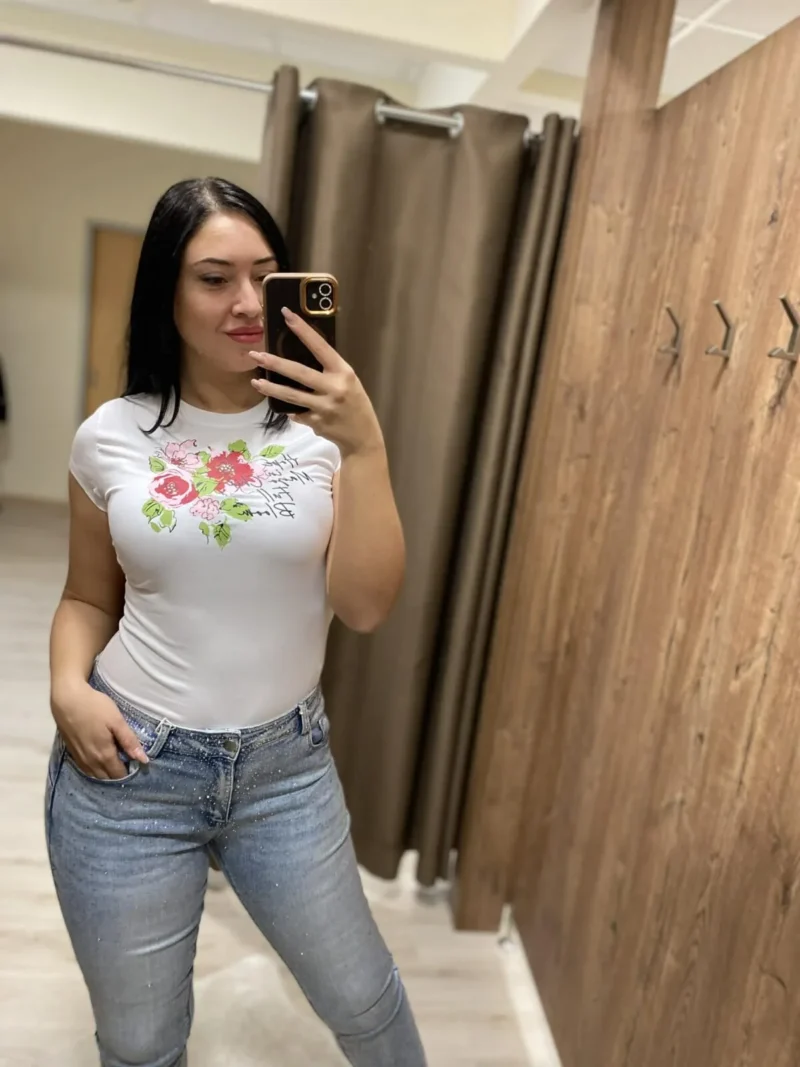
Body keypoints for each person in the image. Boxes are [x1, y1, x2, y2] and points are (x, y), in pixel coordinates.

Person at [45, 177, 427, 1067]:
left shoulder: (327, 431)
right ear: (167, 294)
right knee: (141, 1043)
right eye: (215, 278)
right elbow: (88, 598)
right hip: (131, 768)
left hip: (284, 772)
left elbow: (365, 605)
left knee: (365, 1000)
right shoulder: (110, 435)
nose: (249, 302)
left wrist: (365, 443)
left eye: (265, 274)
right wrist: (67, 688)